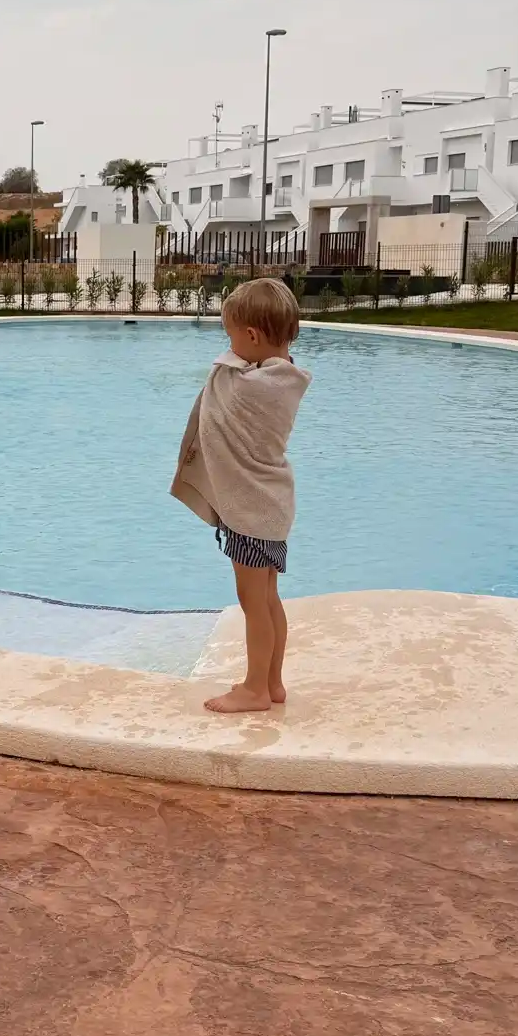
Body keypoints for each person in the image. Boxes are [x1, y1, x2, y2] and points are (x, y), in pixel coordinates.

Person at [170, 278, 310, 713]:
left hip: (250, 511)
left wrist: (229, 359)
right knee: (268, 599)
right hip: (273, 506)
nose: (227, 347)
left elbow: (221, 379)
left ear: (251, 336)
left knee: (253, 604)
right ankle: (273, 682)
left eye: (231, 335)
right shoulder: (283, 379)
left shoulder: (247, 385)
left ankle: (254, 690)